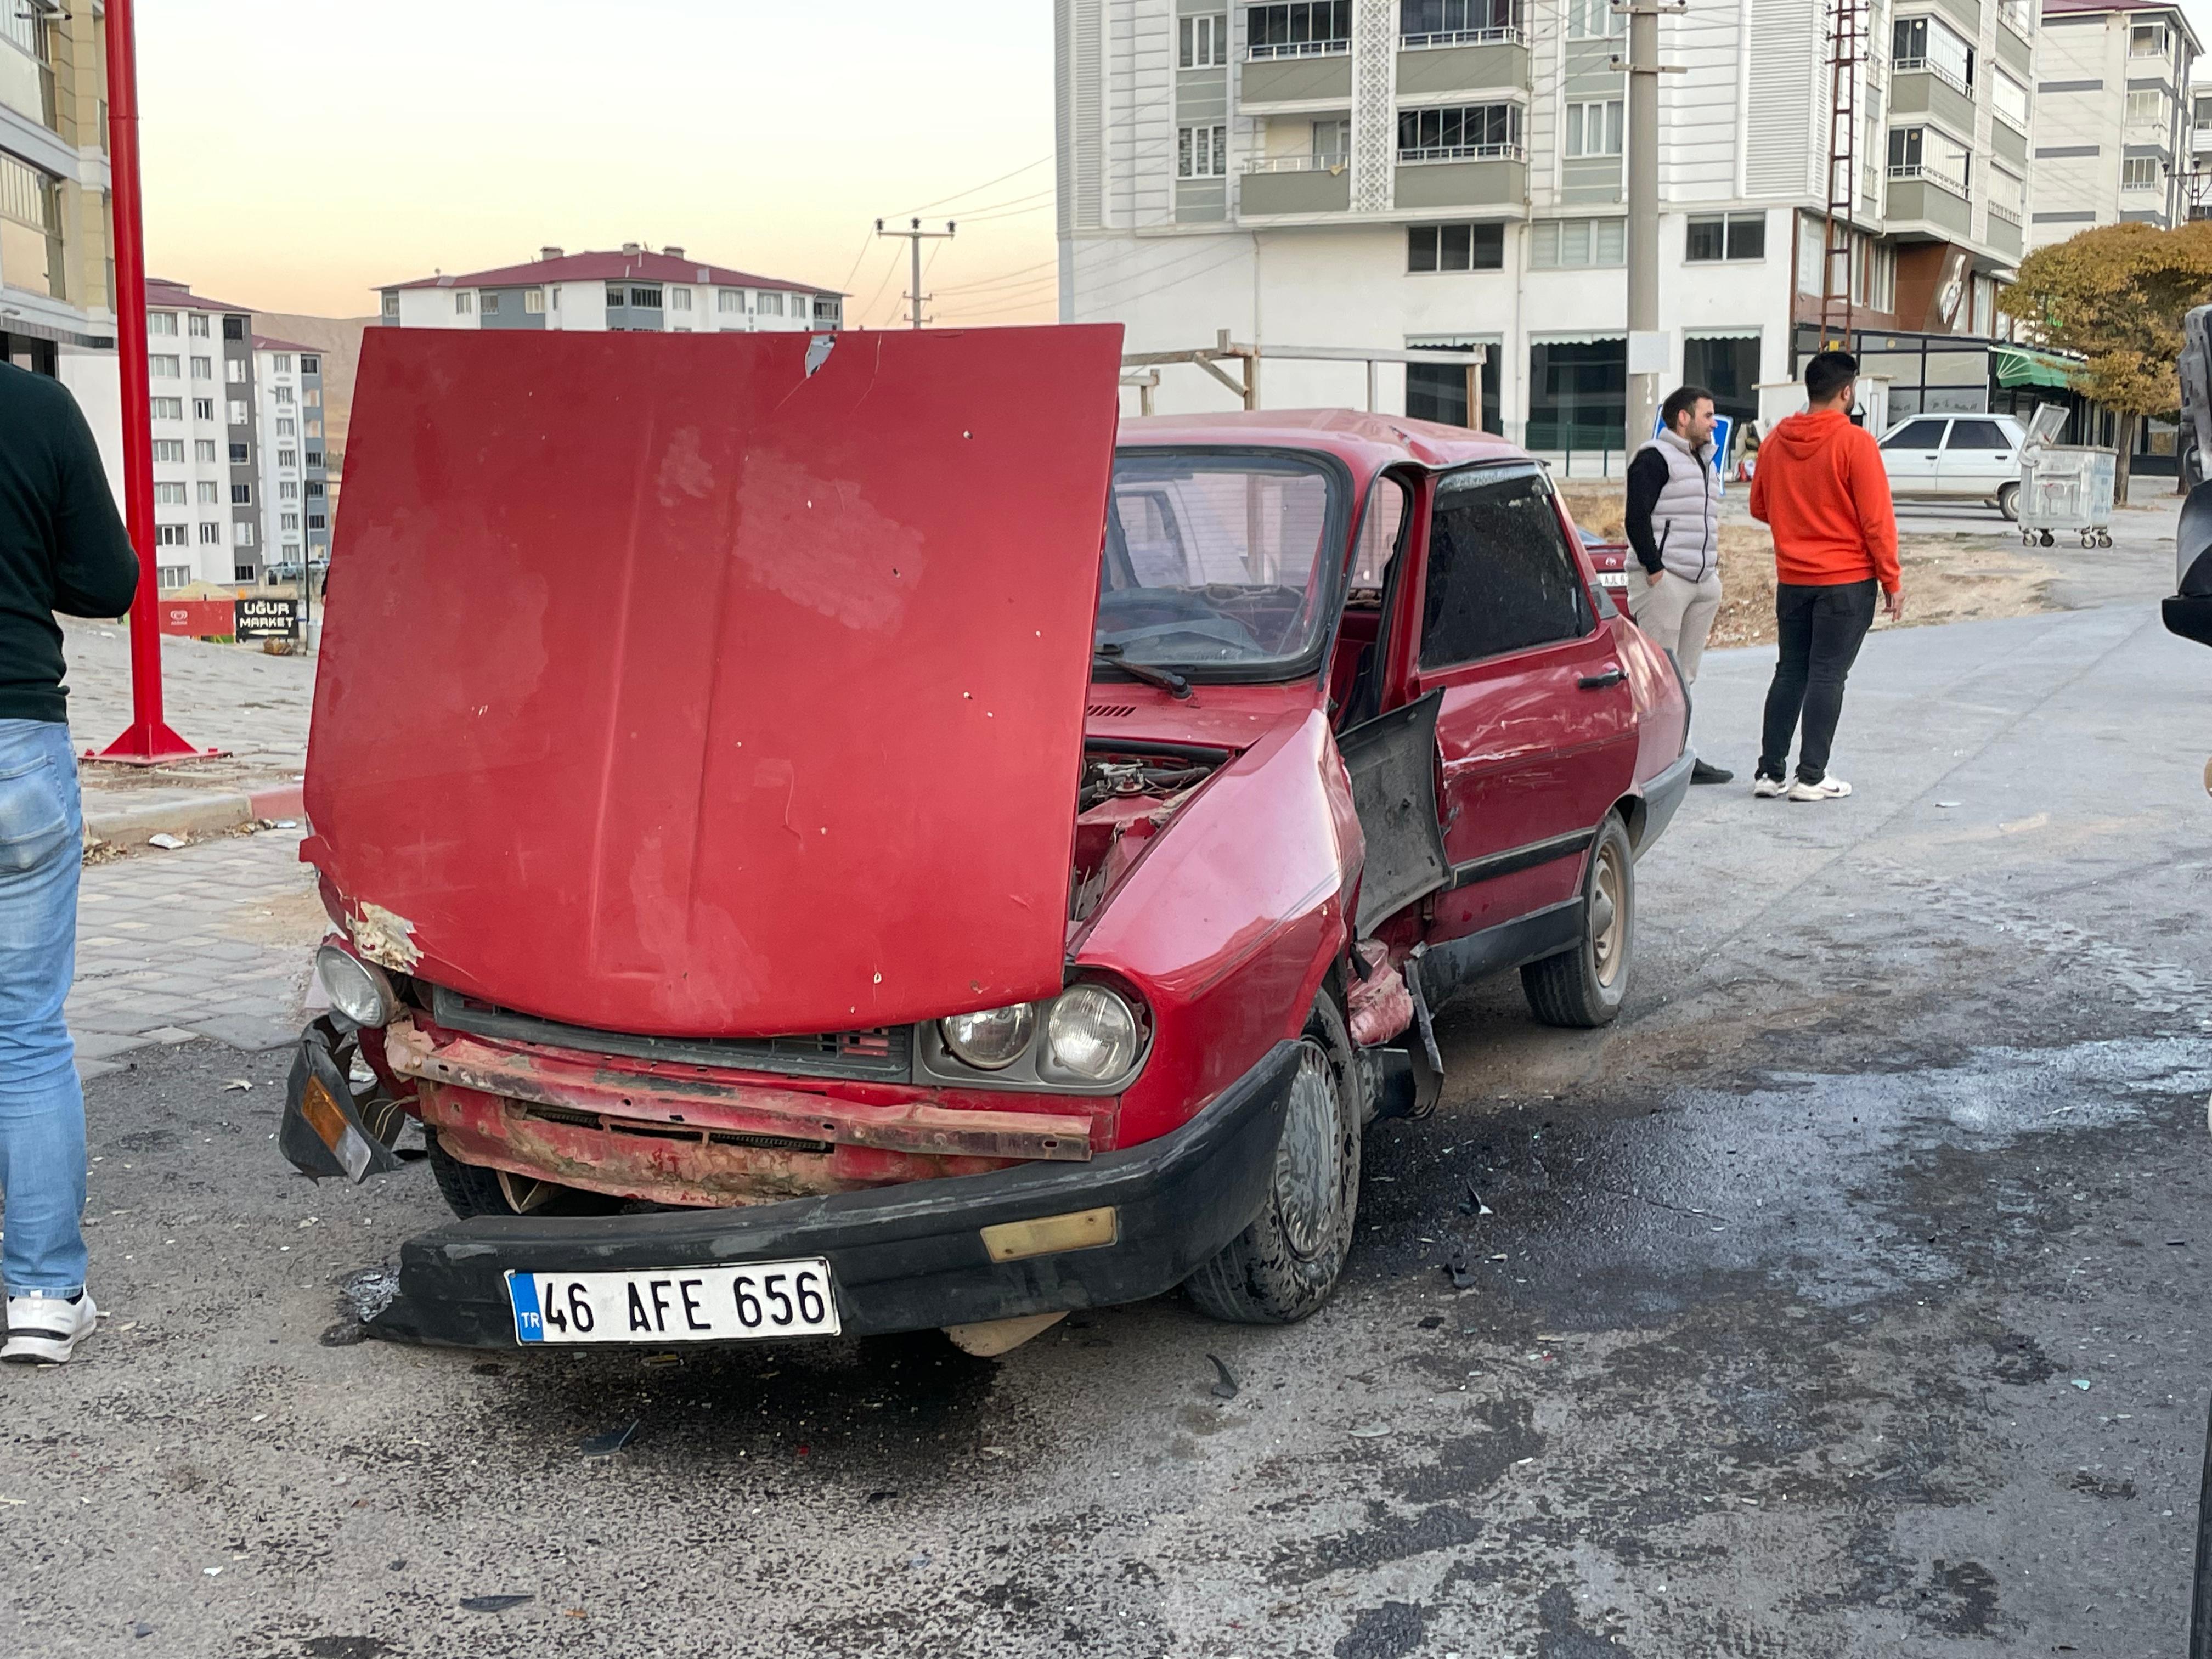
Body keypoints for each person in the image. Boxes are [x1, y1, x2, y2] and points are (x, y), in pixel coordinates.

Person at [0, 363, 139, 1363]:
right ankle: (44, 1293)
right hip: (14, 746)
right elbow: (106, 580)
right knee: (25, 1033)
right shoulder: (35, 406)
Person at [1746, 349, 1903, 802]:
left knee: (1790, 671)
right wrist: (1891, 580)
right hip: (1846, 580)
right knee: (1828, 675)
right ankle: (1811, 776)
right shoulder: (1855, 443)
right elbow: (1876, 520)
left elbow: (1759, 505)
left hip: (1793, 579)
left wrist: (1797, 523)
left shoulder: (1776, 441)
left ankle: (1770, 773)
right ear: (1847, 391)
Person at [1624, 383, 1731, 785]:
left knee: (1684, 676)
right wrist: (1654, 570)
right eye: (1707, 415)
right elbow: (1636, 517)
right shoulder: (1655, 458)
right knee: (1657, 677)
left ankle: (1680, 757)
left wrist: (1712, 575)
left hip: (1702, 581)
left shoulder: (1706, 459)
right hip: (1666, 581)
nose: (1714, 422)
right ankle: (1648, 766)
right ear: (1683, 418)